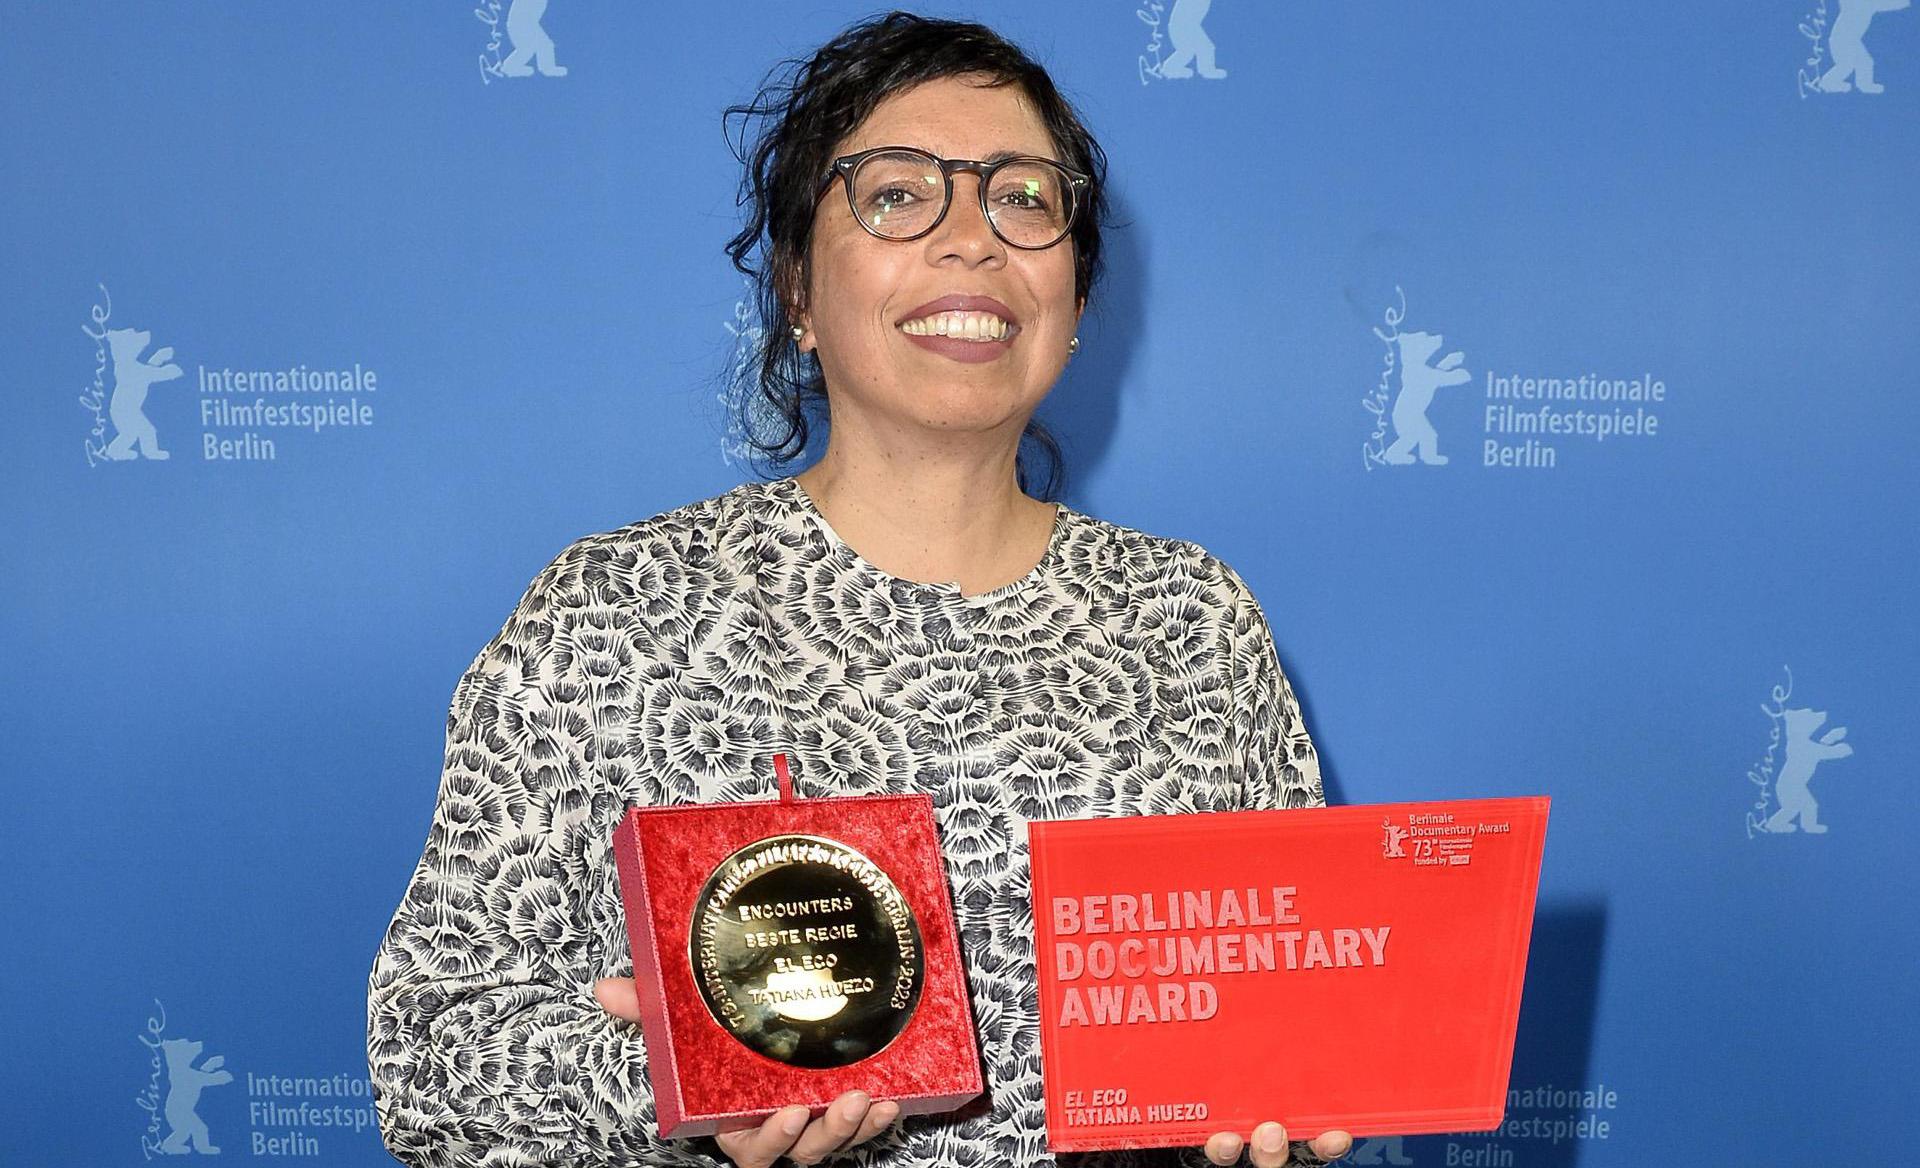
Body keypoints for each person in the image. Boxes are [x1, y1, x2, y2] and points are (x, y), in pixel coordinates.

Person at [365, 11, 1348, 1168]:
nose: (972, 240)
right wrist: (691, 1075)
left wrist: (1273, 1120)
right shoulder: (615, 612)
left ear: (1078, 302)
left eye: (1024, 199)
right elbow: (430, 1049)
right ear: (797, 290)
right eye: (896, 195)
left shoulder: (1192, 618)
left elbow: (1290, 1018)